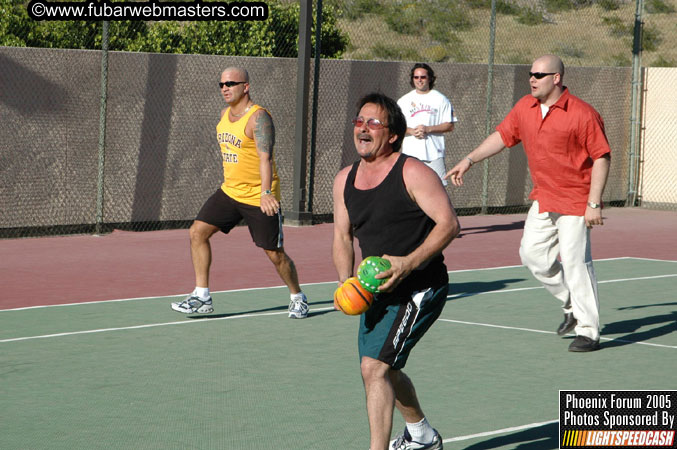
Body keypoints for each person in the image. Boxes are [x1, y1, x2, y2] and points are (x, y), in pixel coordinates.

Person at [445, 55, 611, 352]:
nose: (532, 79)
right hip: (544, 197)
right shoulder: (525, 107)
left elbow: (601, 156)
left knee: (575, 263)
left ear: (556, 78)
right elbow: (502, 136)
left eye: (538, 74)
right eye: (530, 74)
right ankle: (571, 304)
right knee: (532, 256)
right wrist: (469, 160)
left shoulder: (583, 113)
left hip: (576, 199)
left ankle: (588, 331)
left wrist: (594, 203)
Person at [333, 92, 460, 449]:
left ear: (392, 135)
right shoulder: (345, 179)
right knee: (383, 368)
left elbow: (449, 225)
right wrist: (345, 282)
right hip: (375, 291)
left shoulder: (413, 172)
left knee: (375, 368)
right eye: (359, 121)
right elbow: (342, 236)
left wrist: (407, 263)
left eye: (373, 123)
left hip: (421, 287)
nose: (362, 128)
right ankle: (422, 435)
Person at [171, 67, 309, 319]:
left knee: (274, 255)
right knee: (197, 233)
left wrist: (267, 193)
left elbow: (264, 158)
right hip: (230, 192)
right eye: (221, 84)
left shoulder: (259, 118)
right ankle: (202, 296)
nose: (225, 88)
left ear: (245, 86)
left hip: (258, 195)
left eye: (231, 83)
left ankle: (297, 296)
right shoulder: (224, 115)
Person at [397, 63, 457, 186]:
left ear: (429, 78)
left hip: (434, 154)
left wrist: (428, 129)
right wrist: (411, 131)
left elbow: (450, 125)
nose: (419, 80)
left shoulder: (441, 99)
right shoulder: (403, 101)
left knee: (437, 187)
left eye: (423, 77)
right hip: (411, 154)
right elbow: (396, 127)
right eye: (416, 77)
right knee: (410, 187)